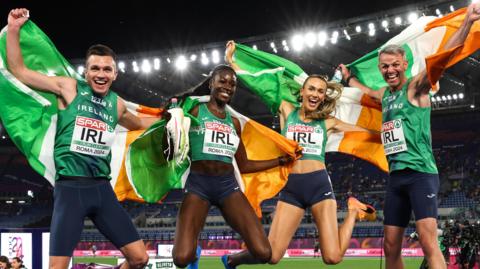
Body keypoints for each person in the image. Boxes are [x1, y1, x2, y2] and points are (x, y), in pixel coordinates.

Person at [7, 8, 159, 269]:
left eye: (107, 69)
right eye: (95, 68)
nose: (101, 74)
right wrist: (13, 29)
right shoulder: (69, 88)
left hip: (102, 190)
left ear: (115, 74)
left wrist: (176, 117)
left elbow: (142, 123)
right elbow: (19, 71)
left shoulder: (117, 105)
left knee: (139, 258)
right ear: (86, 72)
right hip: (70, 191)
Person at [338, 4, 480, 268]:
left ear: (404, 64)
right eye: (384, 67)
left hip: (420, 175)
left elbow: (443, 57)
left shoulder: (416, 87)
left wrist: (467, 23)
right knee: (391, 246)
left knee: (428, 242)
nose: (389, 70)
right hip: (396, 179)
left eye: (394, 65)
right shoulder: (386, 95)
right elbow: (367, 91)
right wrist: (348, 79)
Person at [224, 41, 377, 268]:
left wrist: (391, 131)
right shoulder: (287, 111)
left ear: (324, 96)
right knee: (272, 256)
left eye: (320, 91)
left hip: (319, 187)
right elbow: (261, 84)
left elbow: (366, 133)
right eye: (312, 89)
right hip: (292, 188)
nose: (315, 94)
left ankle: (353, 211)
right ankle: (232, 260)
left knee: (332, 257)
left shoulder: (329, 122)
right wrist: (233, 63)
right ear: (303, 91)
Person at [171, 64, 297, 268]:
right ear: (211, 83)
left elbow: (244, 165)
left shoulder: (234, 123)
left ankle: (230, 261)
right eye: (222, 81)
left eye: (233, 84)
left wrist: (279, 161)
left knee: (264, 252)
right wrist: (172, 116)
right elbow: (172, 140)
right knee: (181, 258)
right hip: (198, 186)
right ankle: (195, 252)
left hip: (227, 187)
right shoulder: (194, 110)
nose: (228, 86)